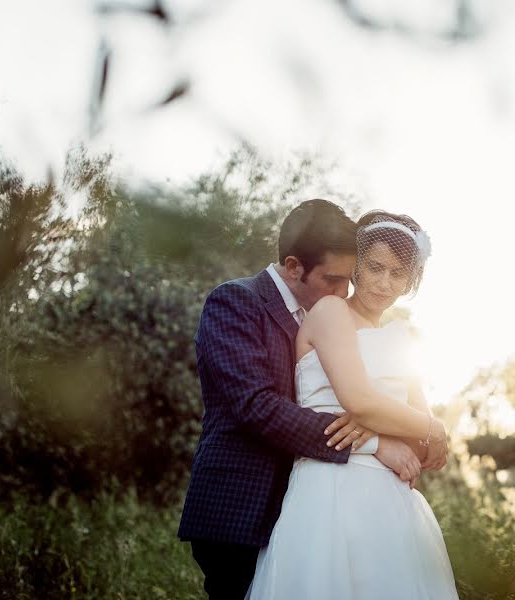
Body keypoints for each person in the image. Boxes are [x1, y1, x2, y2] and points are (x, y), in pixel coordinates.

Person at [178, 200, 448, 599]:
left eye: (396, 273)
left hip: (319, 497)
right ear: (294, 267)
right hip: (242, 504)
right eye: (338, 278)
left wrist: (401, 430)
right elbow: (259, 408)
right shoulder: (236, 302)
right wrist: (372, 439)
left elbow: (385, 409)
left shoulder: (339, 317)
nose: (344, 290)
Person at [247, 210, 458, 600]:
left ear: (410, 280)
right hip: (332, 489)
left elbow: (422, 444)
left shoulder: (400, 339)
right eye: (375, 268)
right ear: (356, 266)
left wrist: (410, 429)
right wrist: (428, 428)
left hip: (392, 501)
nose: (384, 282)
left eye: (397, 274)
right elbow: (360, 400)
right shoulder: (330, 312)